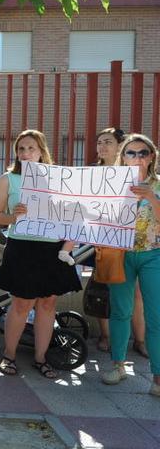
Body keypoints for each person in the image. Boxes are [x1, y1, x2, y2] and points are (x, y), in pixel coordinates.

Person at [0, 130, 81, 380]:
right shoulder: (8, 179)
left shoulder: (59, 179)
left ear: (42, 151)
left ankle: (41, 357)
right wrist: (14, 215)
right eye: (21, 149)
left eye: (30, 148)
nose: (25, 153)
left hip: (52, 249)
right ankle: (9, 355)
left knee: (48, 303)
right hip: (22, 248)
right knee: (21, 303)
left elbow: (72, 213)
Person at [101, 134, 160, 396]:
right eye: (131, 153)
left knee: (155, 317)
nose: (137, 158)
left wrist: (151, 197)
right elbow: (97, 216)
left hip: (153, 255)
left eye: (143, 152)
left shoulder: (158, 185)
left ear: (151, 157)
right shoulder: (111, 184)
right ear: (122, 157)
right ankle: (118, 365)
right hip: (120, 255)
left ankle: (157, 378)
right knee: (120, 311)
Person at [91, 127, 147, 356]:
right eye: (99, 142)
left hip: (134, 241)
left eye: (108, 142)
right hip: (104, 240)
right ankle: (106, 336)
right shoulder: (91, 173)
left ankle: (140, 340)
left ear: (120, 146)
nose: (102, 147)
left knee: (136, 294)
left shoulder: (134, 172)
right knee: (103, 289)